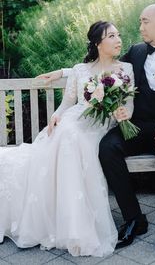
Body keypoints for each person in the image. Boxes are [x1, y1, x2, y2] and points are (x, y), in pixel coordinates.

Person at [38, 3, 155, 264]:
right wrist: (65, 73)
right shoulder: (136, 52)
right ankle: (134, 219)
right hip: (131, 125)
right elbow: (100, 66)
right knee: (106, 148)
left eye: (145, 21)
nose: (140, 27)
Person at [0, 21, 136, 257]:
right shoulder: (81, 69)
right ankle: (61, 220)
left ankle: (74, 222)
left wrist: (125, 114)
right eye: (111, 36)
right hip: (76, 119)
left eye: (118, 35)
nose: (118, 40)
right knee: (66, 133)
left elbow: (129, 104)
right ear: (98, 43)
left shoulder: (126, 69)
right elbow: (69, 101)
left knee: (72, 137)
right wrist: (57, 114)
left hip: (100, 126)